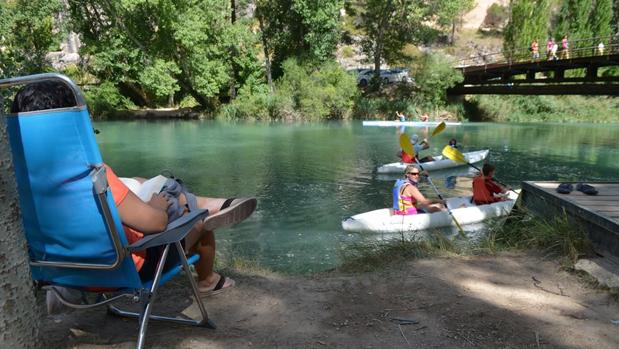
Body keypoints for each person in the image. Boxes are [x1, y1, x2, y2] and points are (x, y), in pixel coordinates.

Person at [11, 81, 257, 312]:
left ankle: (203, 202)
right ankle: (208, 278)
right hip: (121, 271)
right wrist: (156, 205)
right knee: (195, 217)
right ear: (72, 125)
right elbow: (155, 223)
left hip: (60, 272)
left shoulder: (14, 182)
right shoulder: (93, 177)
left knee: (146, 185)